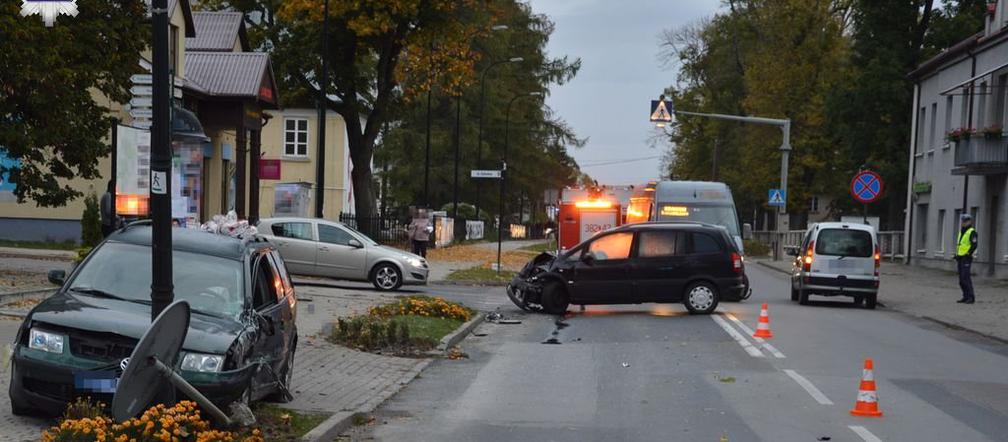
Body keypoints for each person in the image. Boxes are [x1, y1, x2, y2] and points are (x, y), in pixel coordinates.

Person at [954, 214, 978, 304]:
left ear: (969, 222)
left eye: (965, 221)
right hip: (960, 257)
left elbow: (974, 245)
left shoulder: (972, 232)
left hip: (966, 258)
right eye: (962, 221)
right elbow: (960, 245)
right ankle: (965, 296)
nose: (963, 223)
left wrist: (968, 254)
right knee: (961, 280)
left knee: (965, 278)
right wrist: (956, 255)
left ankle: (971, 297)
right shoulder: (962, 231)